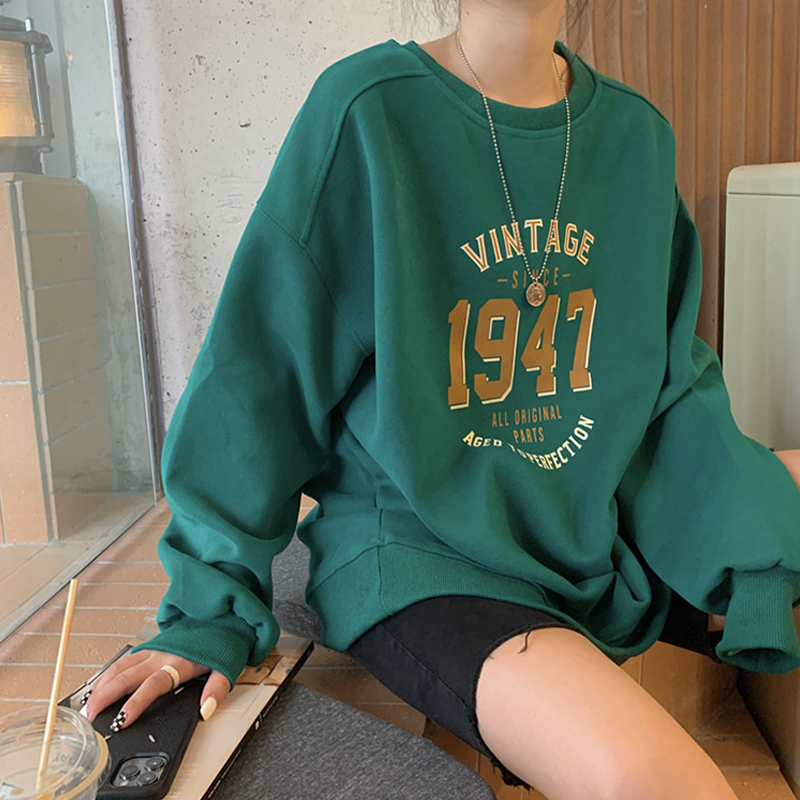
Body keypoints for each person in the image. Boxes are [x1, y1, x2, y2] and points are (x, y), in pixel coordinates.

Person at [84, 1, 800, 797]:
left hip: (587, 526)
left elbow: (672, 385)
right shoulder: (367, 111)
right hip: (423, 550)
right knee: (666, 785)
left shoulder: (637, 136)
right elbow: (259, 374)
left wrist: (751, 553)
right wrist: (206, 610)